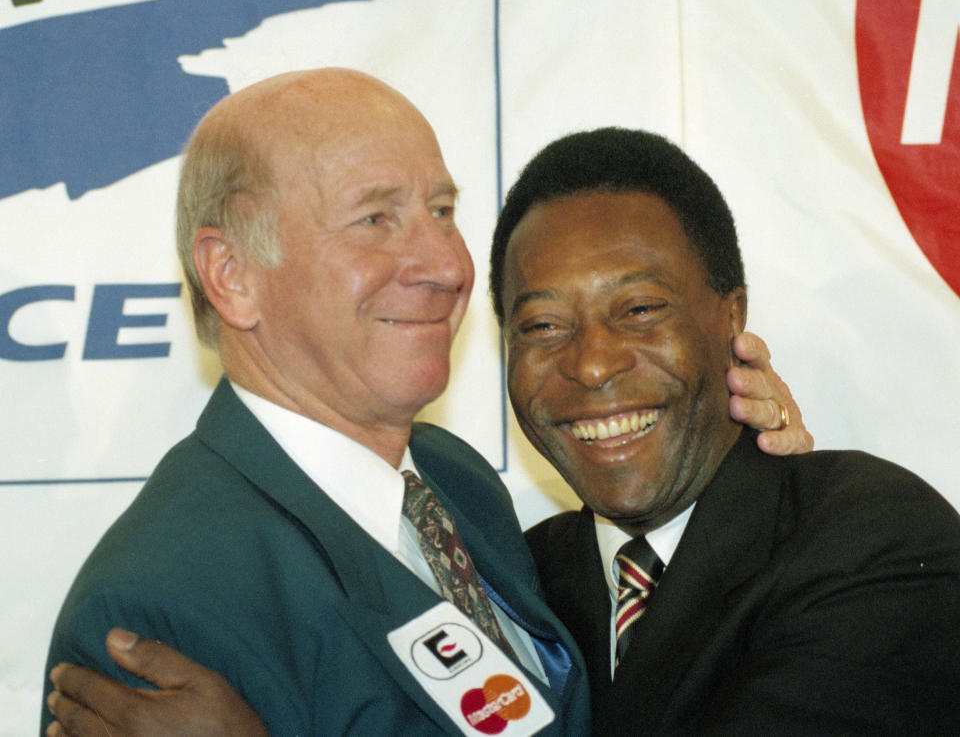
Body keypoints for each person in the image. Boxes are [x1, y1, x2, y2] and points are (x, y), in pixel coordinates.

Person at [42, 76, 809, 736]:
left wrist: (740, 496)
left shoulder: (453, 480)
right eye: (376, 219)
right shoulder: (157, 608)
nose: (448, 265)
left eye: (441, 210)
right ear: (231, 273)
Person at [495, 128, 960, 734]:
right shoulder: (512, 588)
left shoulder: (874, 537)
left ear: (732, 316)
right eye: (543, 326)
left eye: (638, 310)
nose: (591, 364)